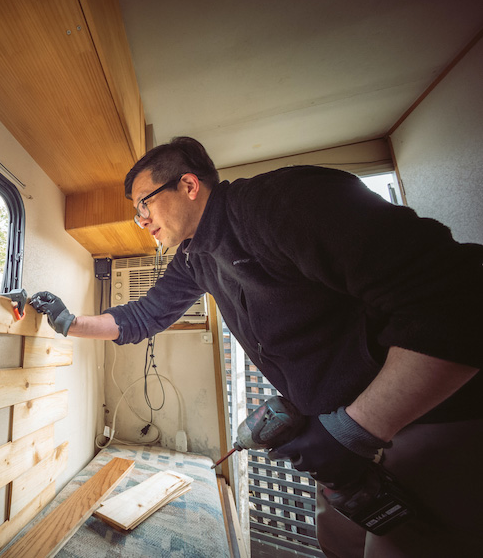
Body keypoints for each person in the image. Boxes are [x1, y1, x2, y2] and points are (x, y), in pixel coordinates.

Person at [29, 136, 482, 557]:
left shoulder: (282, 203)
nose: (140, 219)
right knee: (337, 542)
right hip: (345, 438)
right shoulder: (196, 257)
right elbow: (146, 314)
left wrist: (354, 430)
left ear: (188, 185)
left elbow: (456, 301)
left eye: (144, 203)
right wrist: (69, 322)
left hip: (430, 417)